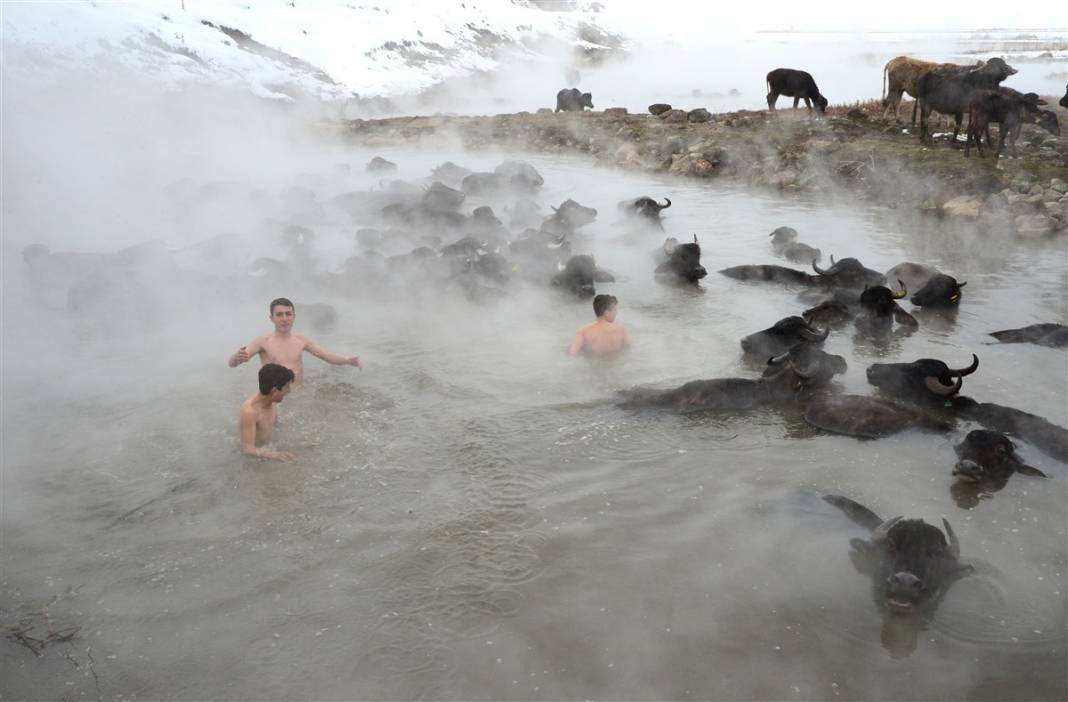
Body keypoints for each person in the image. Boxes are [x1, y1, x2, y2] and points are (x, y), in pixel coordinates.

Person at [228, 298, 363, 385]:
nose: (284, 318)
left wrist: (348, 360)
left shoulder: (301, 340)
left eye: (288, 314)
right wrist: (236, 357)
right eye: (279, 314)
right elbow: (232, 364)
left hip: (299, 397)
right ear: (271, 318)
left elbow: (326, 356)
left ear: (294, 316)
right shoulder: (262, 342)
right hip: (274, 399)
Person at [240, 363, 296, 461]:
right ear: (274, 391)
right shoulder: (250, 412)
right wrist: (272, 455)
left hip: (266, 447)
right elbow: (247, 449)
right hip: (251, 461)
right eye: (287, 387)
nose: (289, 391)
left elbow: (277, 426)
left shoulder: (272, 402)